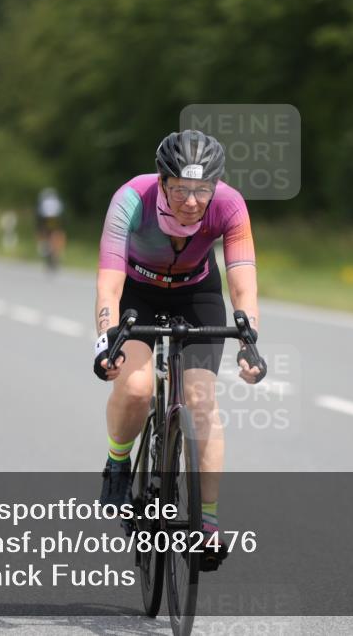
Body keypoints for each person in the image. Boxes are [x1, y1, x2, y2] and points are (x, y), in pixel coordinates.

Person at [93, 129, 262, 567]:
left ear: (215, 186)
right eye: (181, 188)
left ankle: (206, 525)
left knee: (203, 400)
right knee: (135, 387)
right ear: (162, 181)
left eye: (202, 189)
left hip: (196, 293)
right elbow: (109, 285)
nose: (191, 201)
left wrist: (250, 342)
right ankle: (117, 462)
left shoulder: (229, 205)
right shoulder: (131, 198)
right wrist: (106, 342)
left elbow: (244, 286)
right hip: (137, 292)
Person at [35, 187, 65, 268]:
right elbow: (62, 215)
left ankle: (43, 245)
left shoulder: (43, 201)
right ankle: (56, 251)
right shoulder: (57, 201)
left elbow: (38, 216)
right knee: (57, 232)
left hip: (45, 219)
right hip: (56, 219)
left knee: (42, 230)